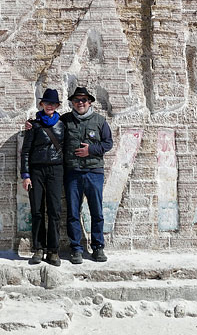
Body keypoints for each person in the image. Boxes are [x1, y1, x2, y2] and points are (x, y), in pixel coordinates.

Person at [62, 87, 113, 264]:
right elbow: (49, 127)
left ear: (89, 102)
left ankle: (98, 247)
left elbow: (108, 143)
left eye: (84, 100)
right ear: (72, 103)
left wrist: (90, 150)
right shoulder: (65, 120)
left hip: (94, 172)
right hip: (73, 173)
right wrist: (32, 123)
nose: (80, 103)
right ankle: (76, 248)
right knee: (73, 212)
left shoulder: (99, 121)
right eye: (77, 100)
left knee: (96, 212)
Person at [20, 88, 64, 266]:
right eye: (47, 103)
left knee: (54, 211)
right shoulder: (34, 125)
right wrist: (25, 174)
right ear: (41, 104)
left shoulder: (63, 123)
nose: (50, 106)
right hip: (37, 171)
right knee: (37, 210)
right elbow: (25, 152)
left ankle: (53, 251)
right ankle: (38, 248)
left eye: (53, 103)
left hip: (56, 170)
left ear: (57, 105)